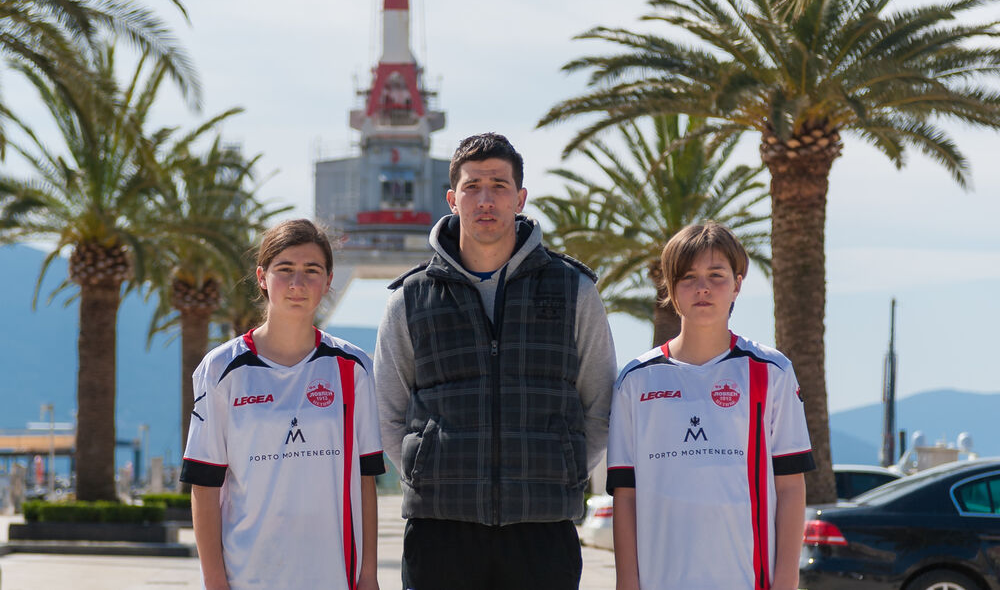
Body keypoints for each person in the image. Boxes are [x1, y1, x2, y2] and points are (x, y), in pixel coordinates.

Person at [375, 133, 617, 590]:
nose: (486, 199)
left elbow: (600, 402)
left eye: (500, 186)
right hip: (439, 530)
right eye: (472, 186)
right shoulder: (410, 298)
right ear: (452, 198)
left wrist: (559, 472)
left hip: (542, 528)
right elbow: (387, 409)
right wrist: (426, 471)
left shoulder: (574, 290)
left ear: (520, 198)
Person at [607, 222, 815, 590]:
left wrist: (786, 581)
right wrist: (628, 582)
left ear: (737, 284)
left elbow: (790, 487)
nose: (702, 287)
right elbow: (626, 495)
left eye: (715, 275)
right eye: (687, 277)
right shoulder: (636, 380)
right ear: (670, 289)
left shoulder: (771, 371)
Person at [181, 219, 384, 590]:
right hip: (248, 577)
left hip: (334, 577)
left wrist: (367, 575)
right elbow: (204, 485)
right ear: (262, 276)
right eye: (284, 269)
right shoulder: (221, 369)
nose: (297, 284)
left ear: (328, 280)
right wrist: (214, 582)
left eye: (311, 271)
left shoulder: (354, 368)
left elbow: (365, 479)